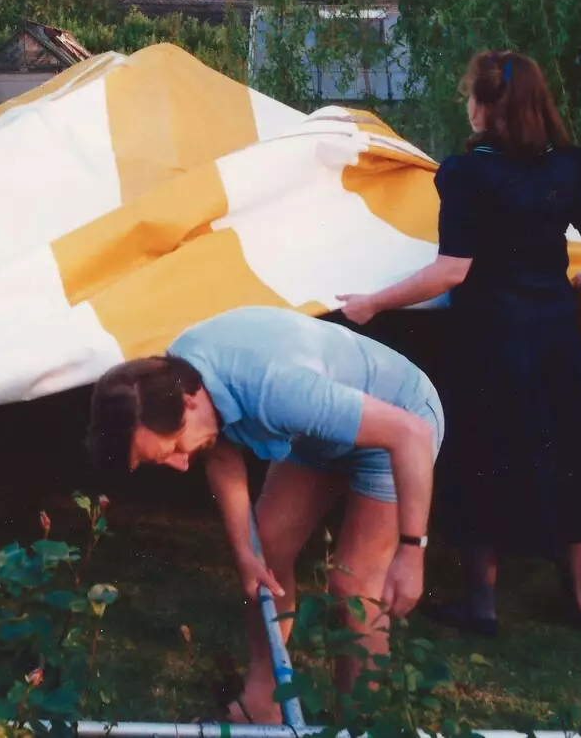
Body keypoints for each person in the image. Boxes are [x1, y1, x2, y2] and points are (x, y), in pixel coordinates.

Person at [337, 50, 581, 637]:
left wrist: (372, 302)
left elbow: (451, 272)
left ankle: (482, 604)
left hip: (491, 337)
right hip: (552, 333)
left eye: (470, 96)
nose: (466, 106)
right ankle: (575, 597)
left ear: (488, 106)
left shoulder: (469, 175)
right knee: (567, 451)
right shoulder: (569, 167)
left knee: (484, 456)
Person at [88, 306, 443, 720]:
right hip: (320, 431)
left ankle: (360, 722)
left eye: (174, 449)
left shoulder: (277, 389)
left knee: (355, 585)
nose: (181, 465)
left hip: (398, 419)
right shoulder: (171, 380)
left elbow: (410, 435)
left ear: (189, 403)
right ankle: (264, 699)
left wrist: (412, 552)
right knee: (267, 550)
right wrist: (245, 552)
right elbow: (220, 457)